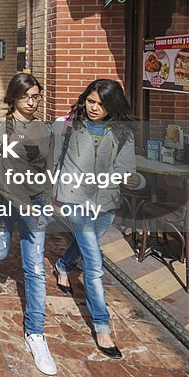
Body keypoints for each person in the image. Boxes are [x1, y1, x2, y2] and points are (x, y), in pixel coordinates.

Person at [52, 79, 142, 360]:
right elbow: (56, 161)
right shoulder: (68, 126)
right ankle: (102, 327)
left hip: (106, 201)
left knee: (83, 246)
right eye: (90, 101)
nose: (94, 108)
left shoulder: (123, 133)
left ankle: (63, 265)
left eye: (101, 104)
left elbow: (127, 169)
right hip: (75, 198)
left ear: (112, 106)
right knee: (93, 262)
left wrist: (129, 179)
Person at [0, 73, 56, 375]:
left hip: (33, 199)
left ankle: (35, 333)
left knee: (35, 267)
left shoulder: (45, 129)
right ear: (13, 97)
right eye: (26, 96)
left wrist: (45, 201)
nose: (31, 102)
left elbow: (49, 169)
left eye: (36, 96)